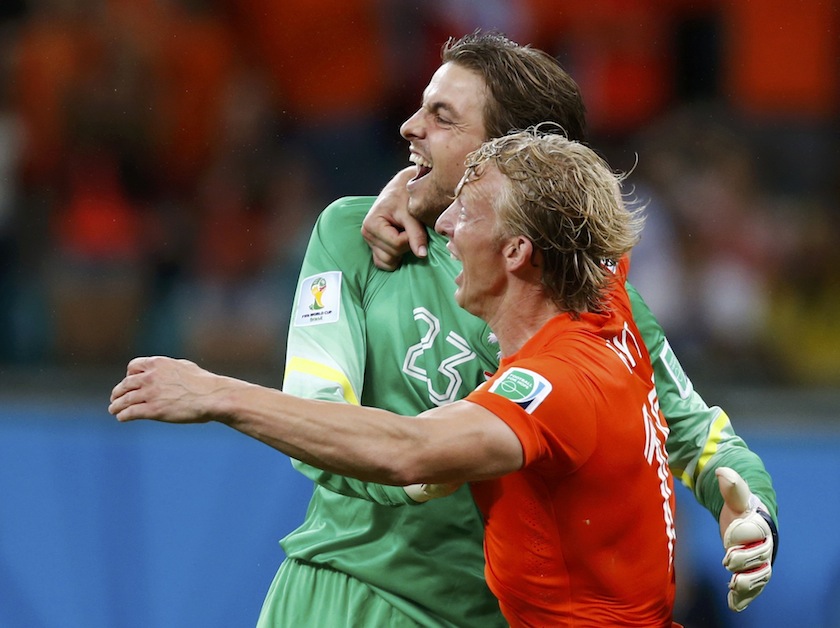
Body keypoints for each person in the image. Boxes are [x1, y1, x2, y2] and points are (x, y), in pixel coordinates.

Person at [111, 127, 681, 626]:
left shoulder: (557, 382)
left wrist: (218, 394)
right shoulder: (603, 301)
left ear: (515, 251)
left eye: (468, 212)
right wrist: (405, 187)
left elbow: (410, 451)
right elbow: (570, 213)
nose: (447, 226)